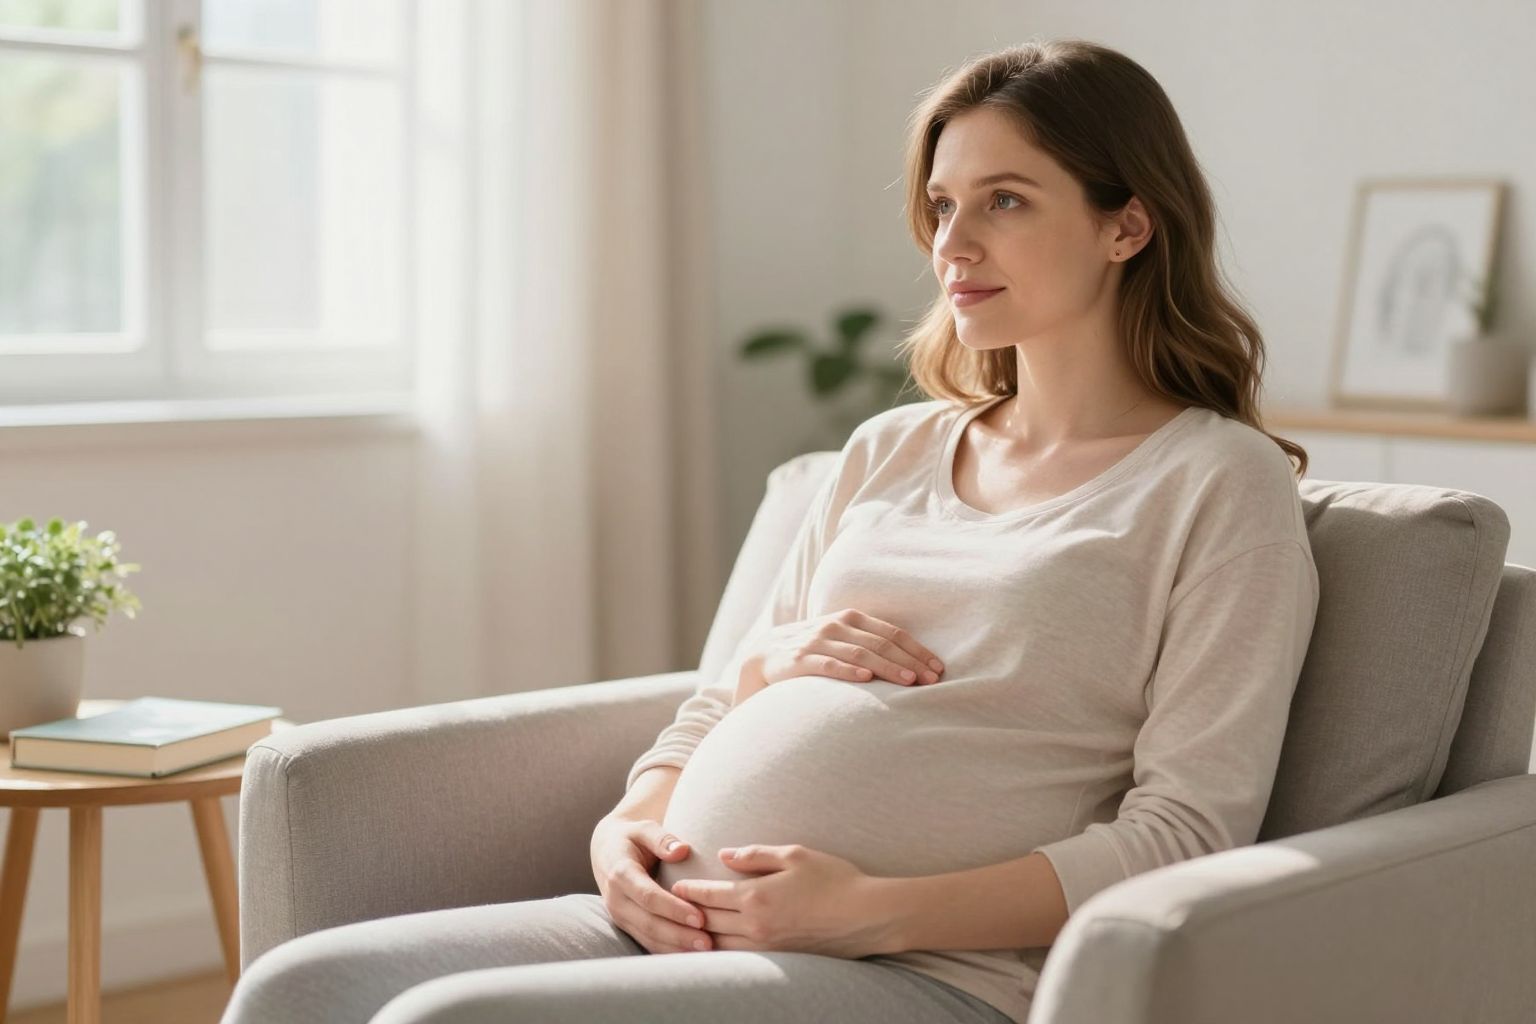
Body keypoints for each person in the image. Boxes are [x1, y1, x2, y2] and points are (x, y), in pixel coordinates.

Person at [220, 36, 1318, 1024]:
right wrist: (623, 838)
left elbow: (1187, 835)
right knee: (298, 988)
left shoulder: (1216, 484)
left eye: (1006, 202)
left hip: (927, 972)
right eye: (941, 205)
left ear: (1127, 223)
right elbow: (710, 704)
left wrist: (871, 912)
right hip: (665, 916)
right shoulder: (887, 450)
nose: (953, 243)